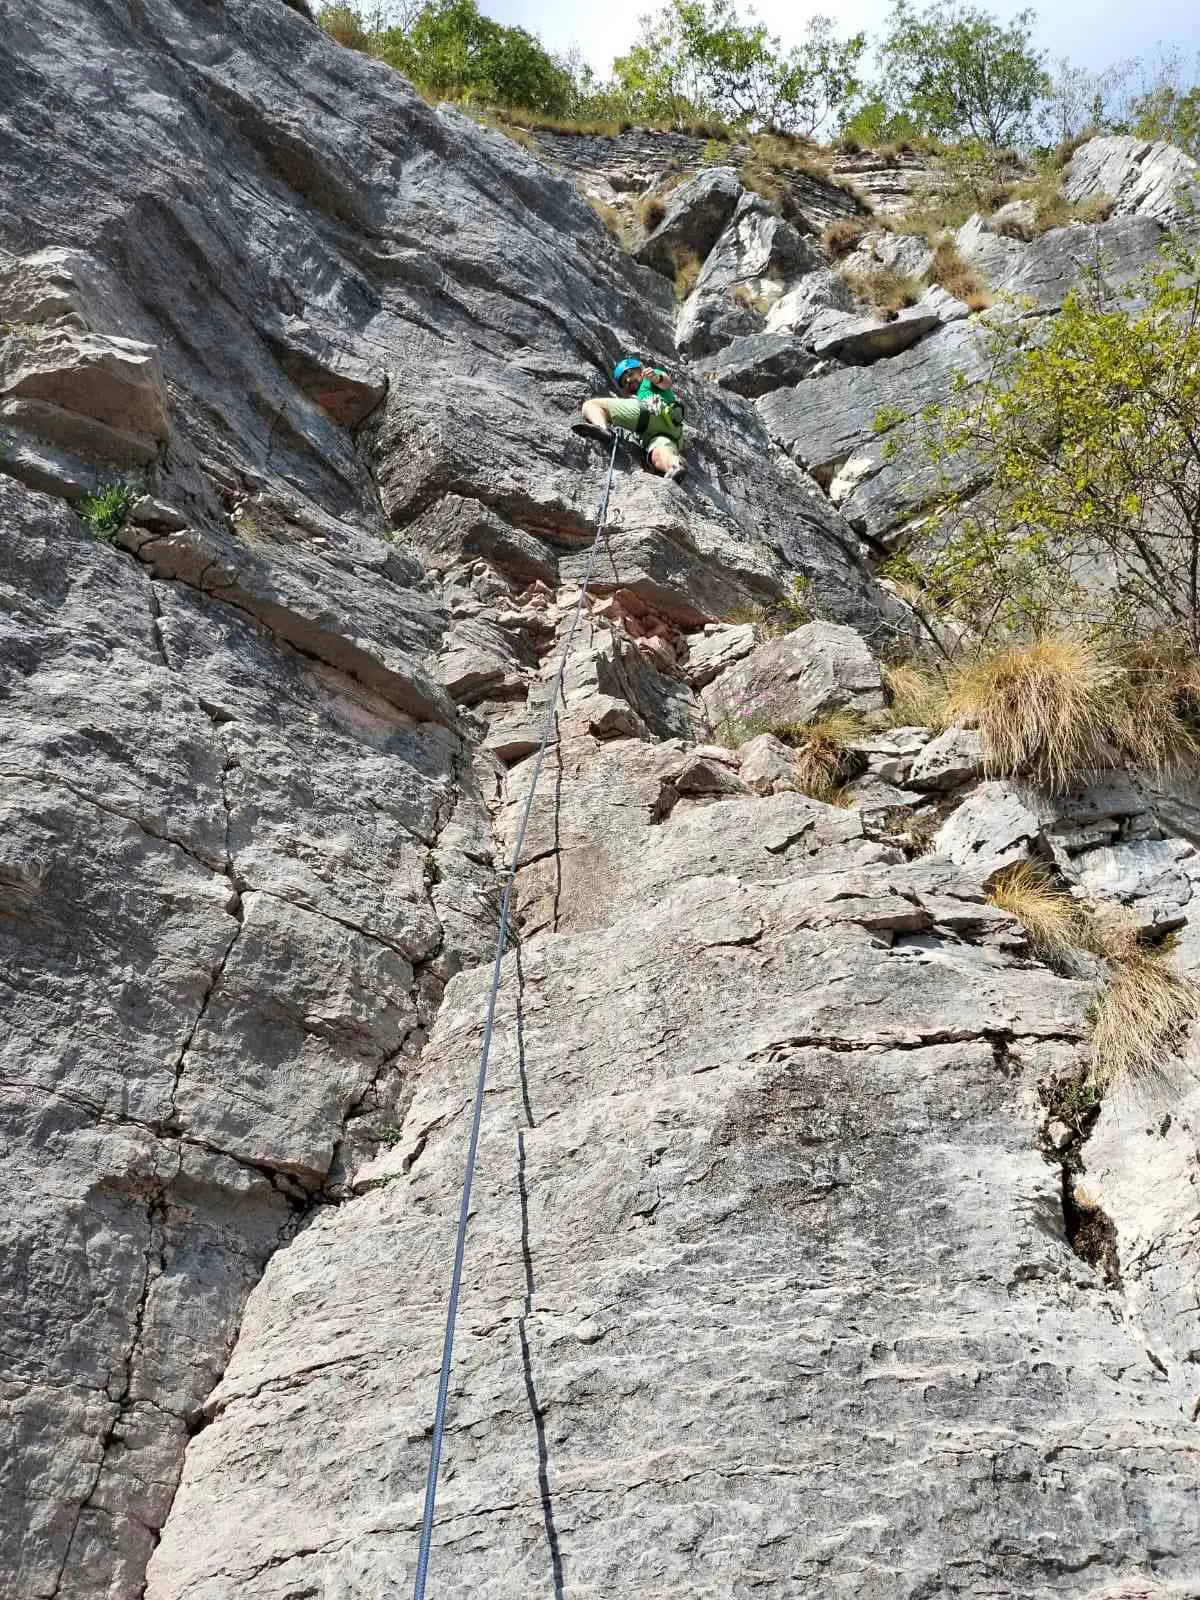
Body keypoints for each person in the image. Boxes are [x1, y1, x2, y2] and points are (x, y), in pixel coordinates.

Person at [572, 356, 686, 481]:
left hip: (648, 411)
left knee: (590, 405)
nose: (628, 380)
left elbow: (666, 382)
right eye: (624, 382)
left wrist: (656, 378)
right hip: (668, 433)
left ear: (640, 371)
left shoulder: (648, 378)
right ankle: (674, 467)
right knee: (658, 452)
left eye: (630, 374)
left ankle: (602, 429)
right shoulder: (638, 393)